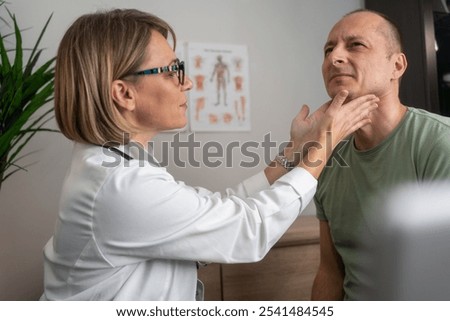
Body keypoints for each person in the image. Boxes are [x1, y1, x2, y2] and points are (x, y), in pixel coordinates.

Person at [41, 8, 378, 301]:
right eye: (172, 71)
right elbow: (246, 228)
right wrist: (324, 145)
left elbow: (218, 210)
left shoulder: (117, 166)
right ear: (124, 93)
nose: (186, 84)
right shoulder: (119, 185)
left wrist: (295, 153)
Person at [311, 9, 450, 301]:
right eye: (328, 49)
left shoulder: (440, 143)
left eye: (355, 45)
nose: (334, 58)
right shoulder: (328, 161)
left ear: (396, 66)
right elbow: (330, 272)